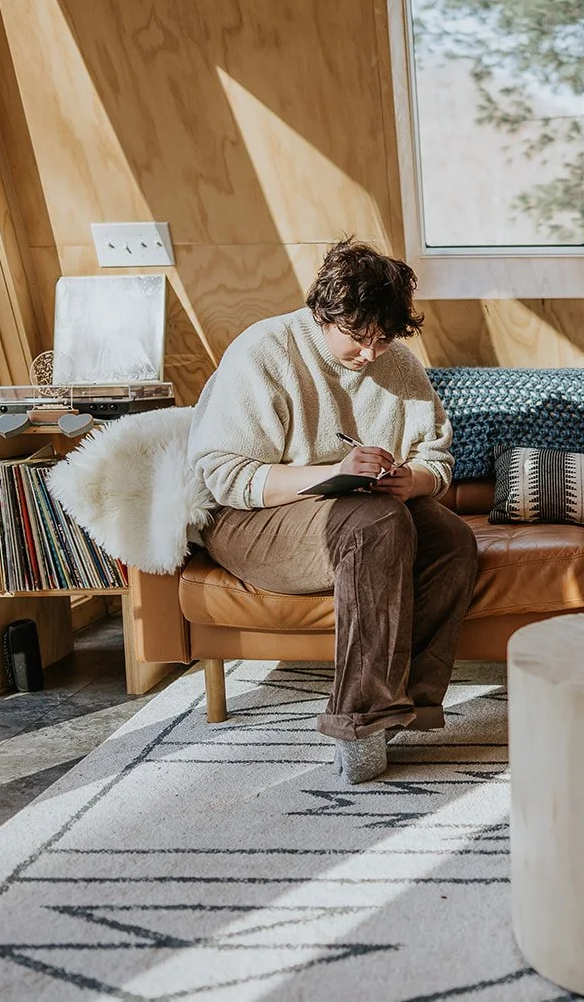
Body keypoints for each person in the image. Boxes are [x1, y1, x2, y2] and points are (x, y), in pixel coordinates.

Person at [187, 238, 477, 784]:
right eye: (359, 338)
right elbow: (223, 477)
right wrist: (334, 473)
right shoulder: (265, 351)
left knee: (451, 538)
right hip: (249, 516)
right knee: (375, 524)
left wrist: (408, 481)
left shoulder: (397, 365)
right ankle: (360, 725)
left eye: (383, 339)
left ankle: (407, 706)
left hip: (359, 506)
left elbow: (436, 460)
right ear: (324, 313)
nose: (370, 353)